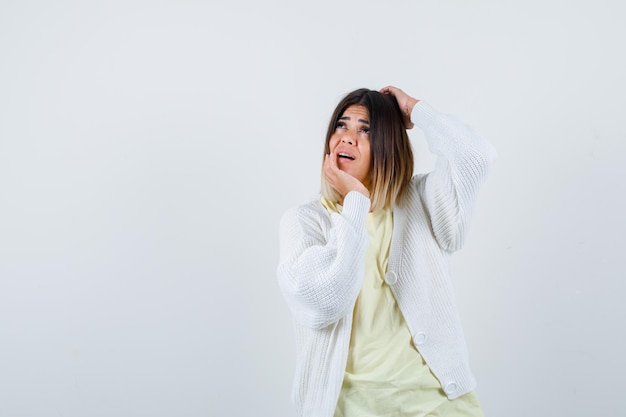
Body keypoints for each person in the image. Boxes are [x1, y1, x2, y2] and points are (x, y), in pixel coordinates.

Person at [277, 86, 497, 417]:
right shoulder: (306, 221)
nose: (348, 137)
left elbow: (474, 156)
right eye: (342, 125)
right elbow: (323, 303)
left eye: (365, 130)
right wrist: (355, 202)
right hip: (349, 406)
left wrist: (416, 111)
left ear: (388, 145)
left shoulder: (421, 201)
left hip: (436, 403)